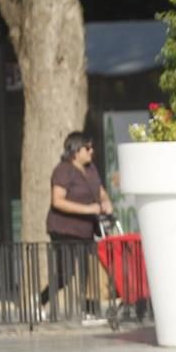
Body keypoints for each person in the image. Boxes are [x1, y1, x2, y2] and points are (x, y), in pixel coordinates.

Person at [40, 132, 113, 320]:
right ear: (75, 151)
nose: (91, 151)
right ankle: (40, 300)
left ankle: (89, 310)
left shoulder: (91, 169)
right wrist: (88, 209)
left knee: (89, 270)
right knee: (66, 273)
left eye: (91, 148)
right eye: (87, 148)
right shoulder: (63, 170)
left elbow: (101, 191)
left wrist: (106, 203)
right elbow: (57, 201)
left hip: (86, 229)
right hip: (64, 228)